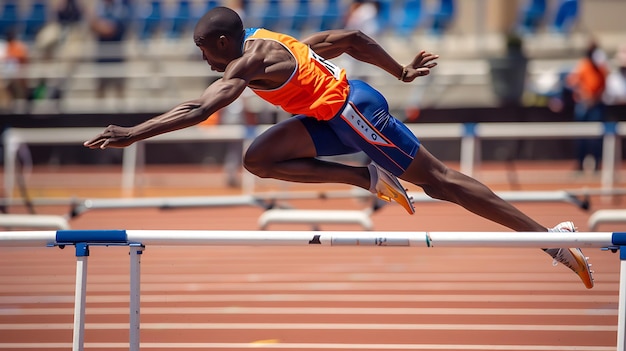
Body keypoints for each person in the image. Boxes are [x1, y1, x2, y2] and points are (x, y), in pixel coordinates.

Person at [84, 6, 594, 289]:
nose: (204, 61)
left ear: (222, 43)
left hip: (353, 113)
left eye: (203, 51)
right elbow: (349, 37)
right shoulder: (268, 39)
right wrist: (402, 71)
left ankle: (549, 237)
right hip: (328, 118)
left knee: (441, 183)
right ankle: (364, 176)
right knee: (258, 159)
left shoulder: (246, 64)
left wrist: (132, 134)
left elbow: (198, 109)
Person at [566, 40, 609, 172]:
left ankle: (596, 164)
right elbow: (572, 82)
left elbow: (603, 86)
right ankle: (579, 164)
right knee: (581, 136)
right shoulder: (582, 65)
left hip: (596, 106)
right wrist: (585, 95)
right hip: (583, 106)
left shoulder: (601, 68)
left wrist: (594, 99)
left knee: (596, 137)